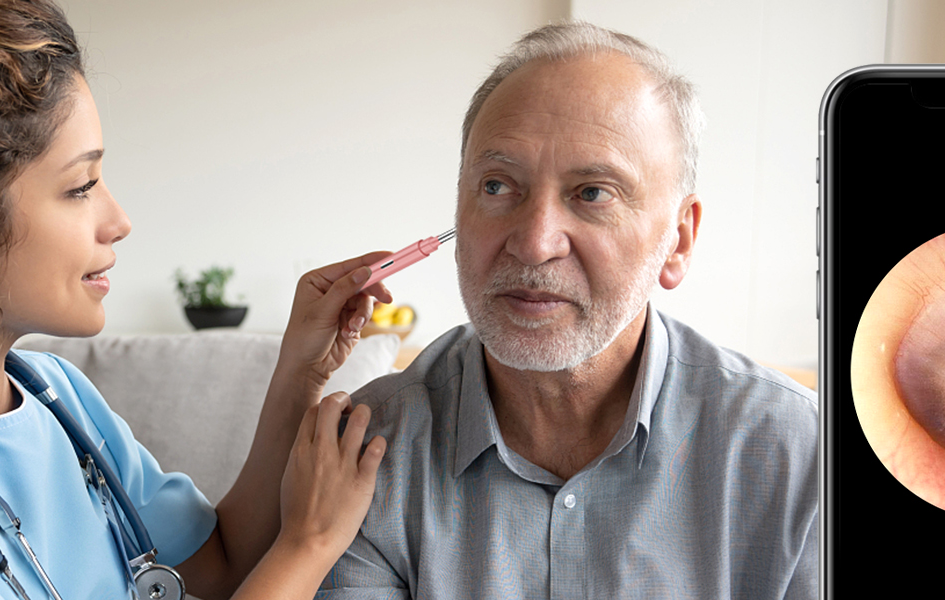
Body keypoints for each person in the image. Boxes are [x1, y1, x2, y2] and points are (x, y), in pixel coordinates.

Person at [0, 0, 387, 598]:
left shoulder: (56, 397)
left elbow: (219, 563)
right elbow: (273, 561)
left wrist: (301, 369)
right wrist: (311, 543)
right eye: (80, 186)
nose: (118, 221)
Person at [318, 22, 817, 599]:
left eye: (593, 193)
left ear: (677, 242)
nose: (534, 243)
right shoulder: (368, 449)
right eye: (498, 186)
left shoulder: (797, 452)